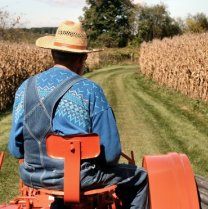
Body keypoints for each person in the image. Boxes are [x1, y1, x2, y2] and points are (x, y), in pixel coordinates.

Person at [8, 20, 149, 209]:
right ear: (82, 59)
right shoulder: (89, 90)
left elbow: (16, 150)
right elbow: (111, 155)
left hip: (33, 177)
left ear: (53, 54)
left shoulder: (24, 88)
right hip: (80, 179)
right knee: (140, 178)